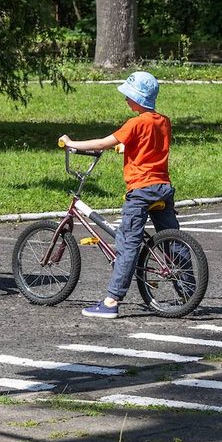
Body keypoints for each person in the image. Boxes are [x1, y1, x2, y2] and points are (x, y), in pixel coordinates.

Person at [60, 71, 182, 319]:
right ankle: (188, 288)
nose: (126, 100)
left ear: (136, 99)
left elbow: (102, 143)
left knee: (127, 245)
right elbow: (150, 144)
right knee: (174, 241)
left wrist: (73, 143)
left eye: (128, 96)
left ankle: (111, 301)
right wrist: (126, 146)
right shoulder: (163, 121)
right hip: (163, 187)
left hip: (141, 191)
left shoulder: (135, 123)